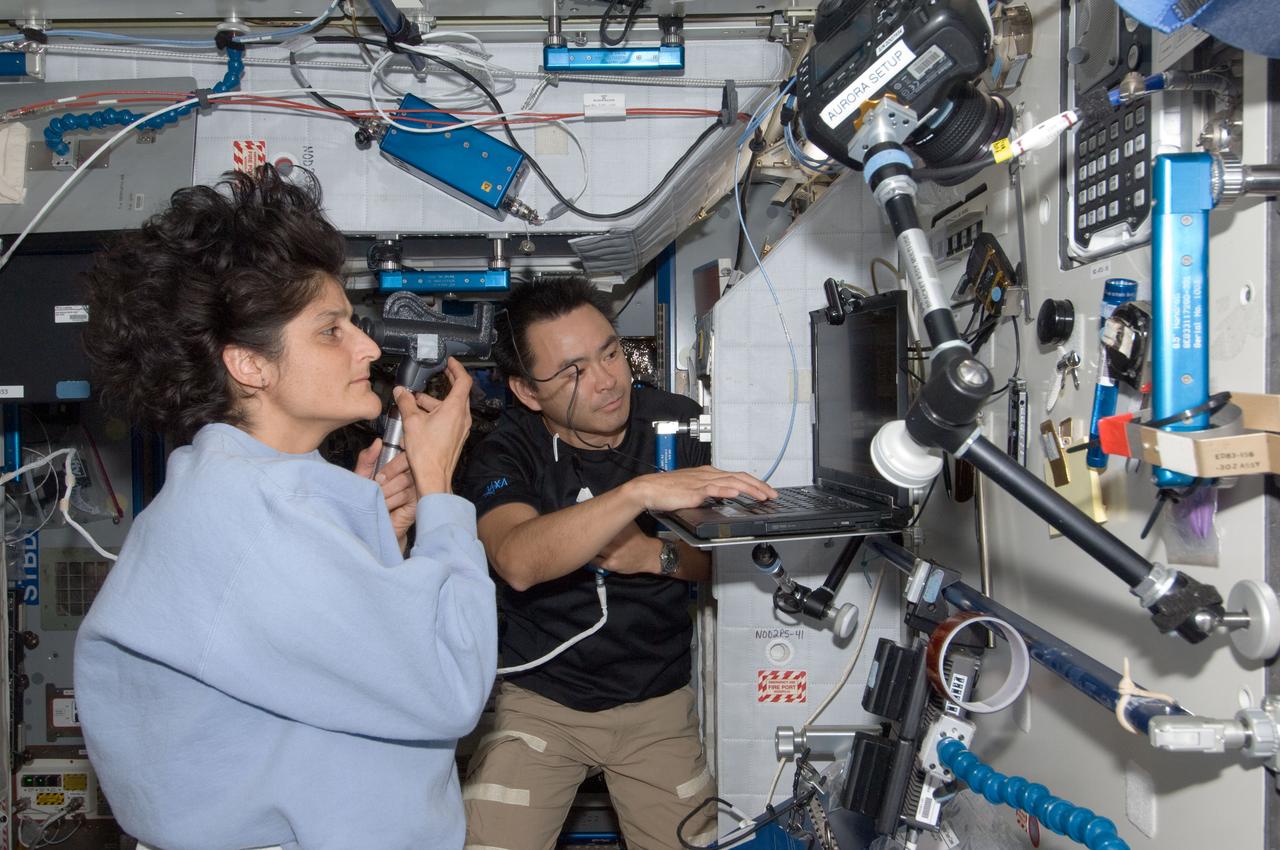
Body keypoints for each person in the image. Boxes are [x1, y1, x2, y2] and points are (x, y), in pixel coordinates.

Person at [73, 167, 497, 850]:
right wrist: (441, 487)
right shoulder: (257, 518)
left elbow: (296, 656)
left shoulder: (228, 492)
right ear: (250, 366)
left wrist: (367, 529)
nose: (366, 346)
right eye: (332, 331)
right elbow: (450, 684)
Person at [460, 277, 776, 850]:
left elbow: (730, 565)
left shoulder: (678, 424)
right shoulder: (506, 451)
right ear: (527, 392)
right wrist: (638, 495)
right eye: (573, 371)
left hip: (655, 701)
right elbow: (516, 559)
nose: (607, 380)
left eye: (611, 352)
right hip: (538, 703)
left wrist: (654, 556)